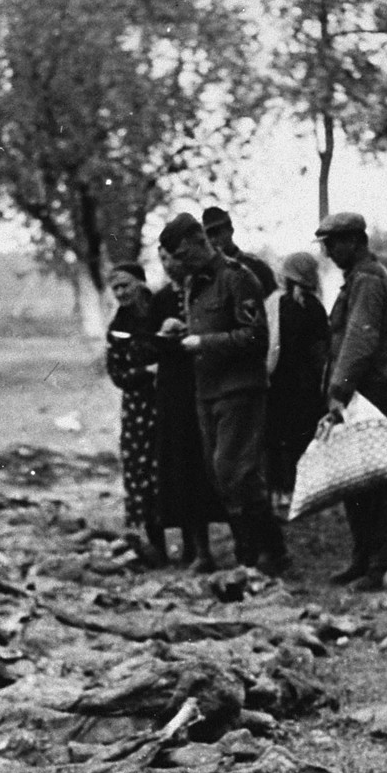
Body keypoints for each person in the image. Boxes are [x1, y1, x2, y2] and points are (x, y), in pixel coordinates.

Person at [161, 213, 288, 576]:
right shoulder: (194, 284)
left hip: (240, 389)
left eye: (185, 255)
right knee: (223, 477)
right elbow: (209, 324)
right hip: (208, 391)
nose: (180, 265)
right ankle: (259, 552)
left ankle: (262, 553)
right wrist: (181, 331)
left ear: (202, 241)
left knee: (234, 471)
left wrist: (203, 342)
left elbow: (255, 336)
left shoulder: (237, 278)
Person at [316, 212, 387, 590]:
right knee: (354, 481)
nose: (328, 251)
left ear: (354, 241)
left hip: (365, 392)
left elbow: (359, 340)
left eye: (333, 243)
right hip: (358, 391)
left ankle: (382, 564)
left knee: (372, 481)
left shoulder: (368, 281)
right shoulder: (357, 280)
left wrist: (339, 391)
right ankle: (363, 557)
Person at [152, 245, 225, 570]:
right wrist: (163, 335)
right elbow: (146, 345)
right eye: (162, 260)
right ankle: (196, 549)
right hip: (174, 393)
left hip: (206, 385)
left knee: (211, 467)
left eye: (173, 258)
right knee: (182, 468)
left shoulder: (204, 293)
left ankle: (231, 546)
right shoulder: (161, 299)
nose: (169, 266)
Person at [105, 262, 167, 564]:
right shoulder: (118, 325)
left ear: (141, 283)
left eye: (125, 285)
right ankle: (154, 546)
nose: (120, 293)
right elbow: (117, 373)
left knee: (170, 468)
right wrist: (147, 371)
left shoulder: (164, 310)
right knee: (139, 472)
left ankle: (196, 547)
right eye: (115, 288)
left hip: (170, 403)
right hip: (137, 408)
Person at [264, 251, 330, 508]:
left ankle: (280, 492)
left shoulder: (274, 303)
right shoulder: (313, 305)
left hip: (278, 380)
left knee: (277, 438)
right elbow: (320, 349)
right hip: (305, 384)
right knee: (301, 438)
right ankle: (303, 490)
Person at [201, 206, 277, 298]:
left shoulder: (256, 267)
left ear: (230, 230)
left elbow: (273, 303)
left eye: (217, 232)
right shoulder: (205, 275)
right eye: (209, 235)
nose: (213, 239)